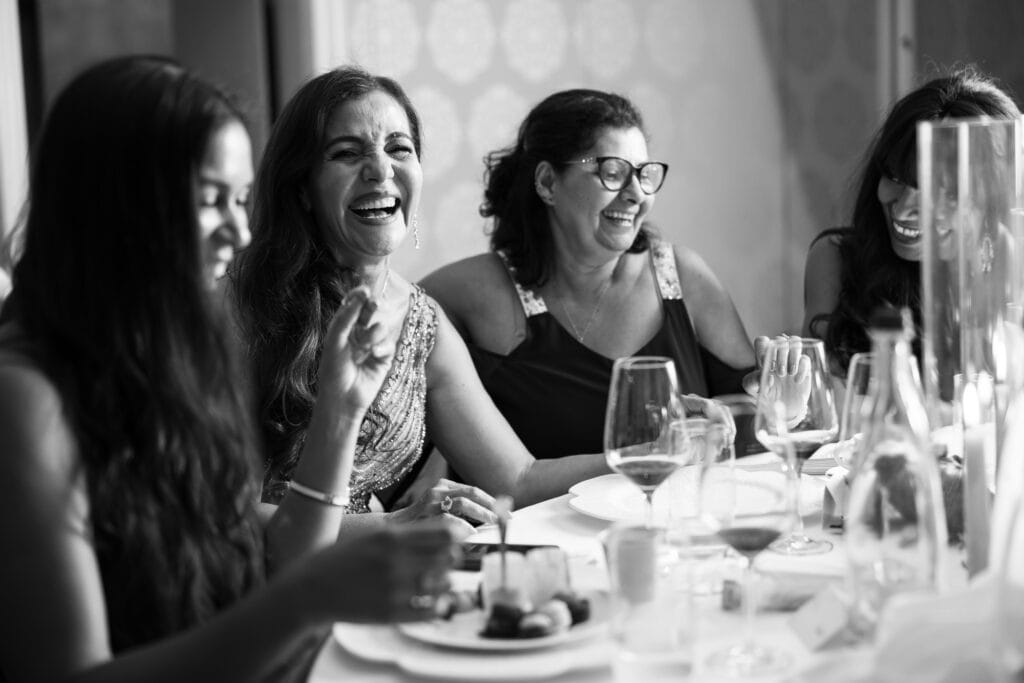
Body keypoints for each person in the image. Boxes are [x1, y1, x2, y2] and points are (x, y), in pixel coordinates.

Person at [0, 56, 455, 683]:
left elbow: (280, 552)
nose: (239, 230)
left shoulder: (172, 352)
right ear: (115, 205)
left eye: (242, 200)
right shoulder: (24, 396)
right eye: (213, 200)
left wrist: (340, 411)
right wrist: (306, 601)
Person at [234, 68, 613, 528]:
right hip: (260, 585)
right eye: (347, 153)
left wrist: (645, 457)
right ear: (303, 189)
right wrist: (394, 527)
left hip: (378, 575)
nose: (380, 170)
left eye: (399, 148)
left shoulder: (421, 321)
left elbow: (517, 478)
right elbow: (222, 515)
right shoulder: (245, 307)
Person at [421, 88, 755, 460]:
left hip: (678, 516)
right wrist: (436, 461)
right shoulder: (476, 294)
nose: (636, 195)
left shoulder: (682, 277)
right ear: (548, 183)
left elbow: (749, 420)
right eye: (613, 173)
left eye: (645, 175)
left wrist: (783, 394)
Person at [802, 68, 1020, 380]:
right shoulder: (836, 259)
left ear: (989, 197)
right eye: (893, 177)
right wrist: (786, 384)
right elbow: (820, 406)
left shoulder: (1009, 268)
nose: (903, 209)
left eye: (935, 190)